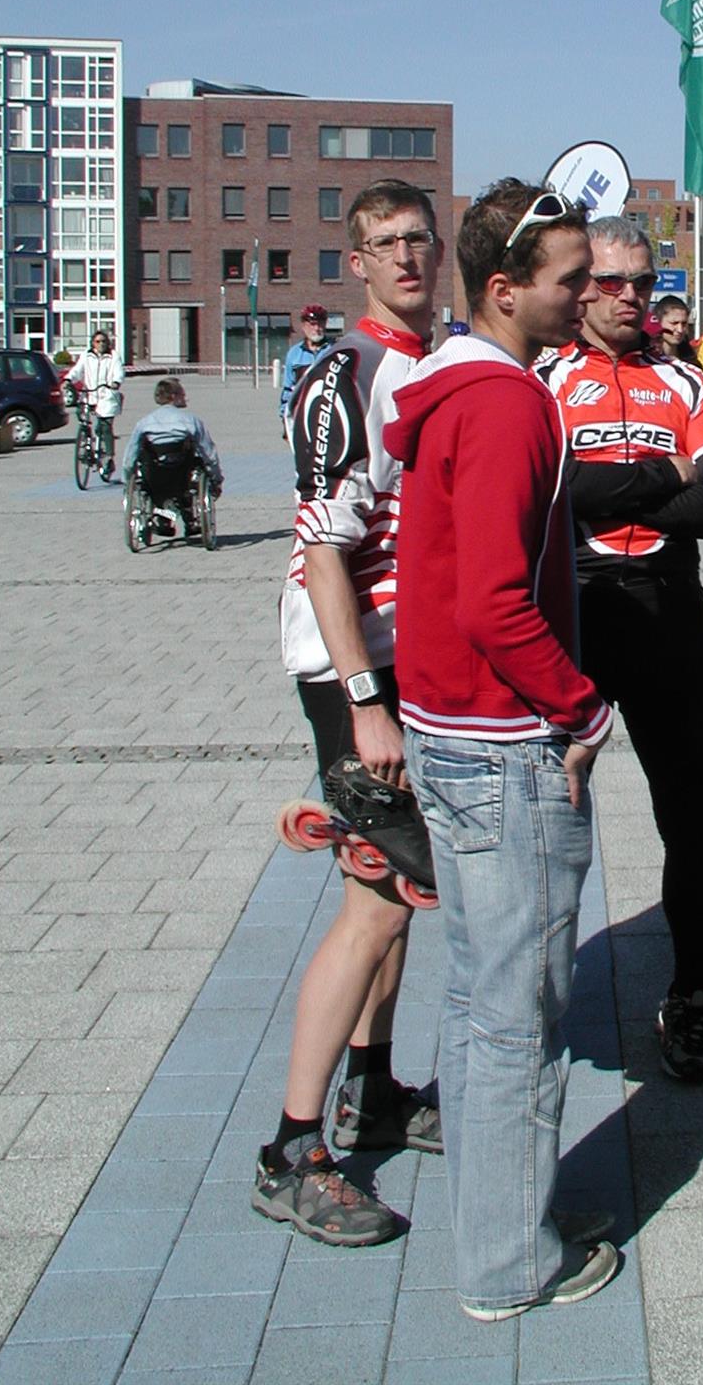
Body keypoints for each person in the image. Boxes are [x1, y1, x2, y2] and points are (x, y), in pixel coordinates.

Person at [387, 179, 619, 1319]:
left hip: (451, 733)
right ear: (504, 289)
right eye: (571, 279)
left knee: (482, 1002)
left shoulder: (449, 388)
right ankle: (509, 1263)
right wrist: (581, 707)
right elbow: (491, 598)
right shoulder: (507, 403)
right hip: (504, 743)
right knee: (518, 1016)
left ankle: (491, 1229)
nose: (588, 295)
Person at [253, 179, 445, 1248]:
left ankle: (372, 1091)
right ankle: (290, 1152)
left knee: (394, 893)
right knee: (377, 899)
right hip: (349, 666)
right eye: (384, 243)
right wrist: (366, 702)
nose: (406, 256)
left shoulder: (438, 358)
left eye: (418, 237)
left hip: (403, 659)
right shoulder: (344, 374)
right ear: (359, 263)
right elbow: (323, 552)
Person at [542, 217, 703, 1082]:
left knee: (696, 818)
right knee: (547, 821)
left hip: (671, 617)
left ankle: (692, 995)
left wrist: (598, 490)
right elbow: (543, 492)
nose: (630, 298)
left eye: (643, 282)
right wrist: (665, 474)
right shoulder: (544, 379)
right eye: (611, 282)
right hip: (577, 615)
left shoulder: (685, 380)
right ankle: (532, 999)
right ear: (580, 285)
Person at [122, 378, 223, 535]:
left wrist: (127, 478)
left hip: (153, 476)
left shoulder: (144, 423)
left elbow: (130, 455)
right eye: (183, 394)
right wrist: (216, 478)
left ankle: (161, 517)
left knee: (144, 457)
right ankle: (189, 517)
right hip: (183, 474)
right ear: (174, 396)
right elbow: (208, 453)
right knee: (196, 461)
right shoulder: (191, 421)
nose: (185, 398)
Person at [67, 330, 124, 481]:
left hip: (107, 395)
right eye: (98, 341)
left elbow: (119, 371)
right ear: (93, 343)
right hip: (90, 394)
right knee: (81, 415)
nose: (101, 344)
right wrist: (68, 380)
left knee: (104, 427)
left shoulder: (113, 356)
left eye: (104, 341)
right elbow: (77, 370)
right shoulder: (87, 356)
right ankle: (86, 443)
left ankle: (108, 457)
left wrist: (116, 382)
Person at [279, 304, 329, 432]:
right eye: (312, 324)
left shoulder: (334, 350)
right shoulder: (294, 354)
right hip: (302, 415)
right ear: (303, 326)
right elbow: (288, 389)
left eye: (320, 324)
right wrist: (285, 418)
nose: (317, 328)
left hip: (328, 415)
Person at [651, 293, 697, 363]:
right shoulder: (647, 360)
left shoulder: (692, 361)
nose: (680, 330)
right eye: (674, 323)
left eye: (684, 323)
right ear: (658, 322)